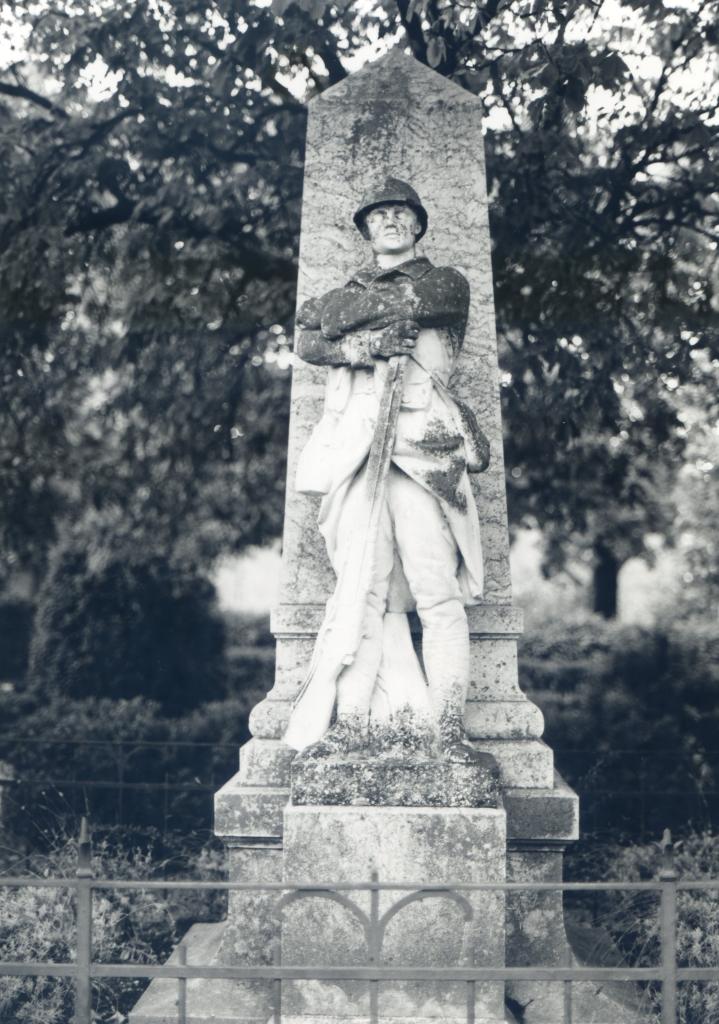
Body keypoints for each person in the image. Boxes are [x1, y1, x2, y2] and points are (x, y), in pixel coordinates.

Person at [283, 177, 489, 763]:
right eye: (380, 215)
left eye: (402, 213)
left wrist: (338, 319)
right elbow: (307, 328)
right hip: (358, 453)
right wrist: (361, 347)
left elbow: (403, 308)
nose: (391, 221)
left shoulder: (445, 282)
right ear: (366, 228)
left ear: (418, 224)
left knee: (436, 593)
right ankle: (351, 728)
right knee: (361, 589)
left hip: (425, 450)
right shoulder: (348, 290)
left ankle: (448, 732)